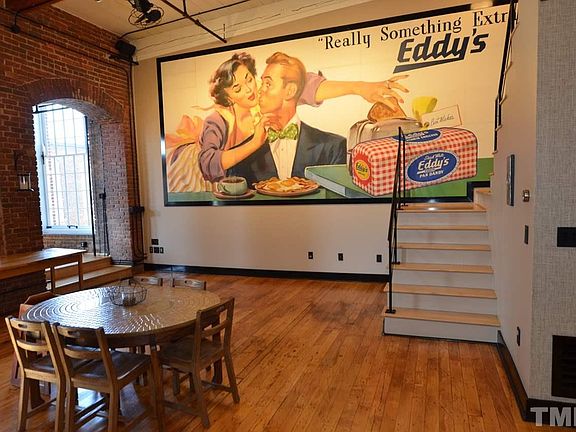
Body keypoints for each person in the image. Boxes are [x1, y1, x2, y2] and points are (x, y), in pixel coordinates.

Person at [195, 51, 410, 184]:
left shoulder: (331, 147)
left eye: (250, 79)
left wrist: (359, 88)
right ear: (228, 97)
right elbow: (208, 164)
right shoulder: (219, 121)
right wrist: (254, 143)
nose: (252, 89)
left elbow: (305, 86)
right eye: (237, 88)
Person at [229, 52, 346, 184]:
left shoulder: (333, 148)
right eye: (262, 83)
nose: (260, 90)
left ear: (290, 91)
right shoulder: (240, 155)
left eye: (268, 84)